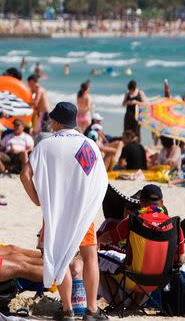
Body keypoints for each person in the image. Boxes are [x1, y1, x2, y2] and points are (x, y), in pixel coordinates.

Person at [20, 102, 109, 321]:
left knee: (59, 257)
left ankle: (67, 310)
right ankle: (91, 311)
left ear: (58, 121)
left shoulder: (45, 145)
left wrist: (37, 200)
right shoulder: (88, 145)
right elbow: (100, 180)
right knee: (90, 259)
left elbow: (24, 174)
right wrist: (88, 203)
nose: (50, 123)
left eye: (52, 119)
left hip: (55, 213)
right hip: (82, 213)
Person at [98, 185, 185, 307]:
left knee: (96, 261)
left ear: (141, 203)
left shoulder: (133, 221)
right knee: (151, 264)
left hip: (133, 279)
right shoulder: (174, 225)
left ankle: (118, 304)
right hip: (160, 281)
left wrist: (97, 242)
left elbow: (107, 238)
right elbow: (180, 259)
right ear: (162, 203)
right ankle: (134, 305)